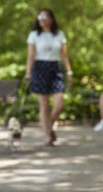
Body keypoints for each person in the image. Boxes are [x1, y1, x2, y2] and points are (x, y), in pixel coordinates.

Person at [25, 9, 73, 147]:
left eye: (44, 17)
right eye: (39, 17)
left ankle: (48, 127)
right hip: (40, 68)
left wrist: (69, 71)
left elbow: (64, 55)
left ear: (51, 19)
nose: (41, 20)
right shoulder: (34, 35)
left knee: (59, 104)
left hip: (55, 68)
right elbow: (31, 56)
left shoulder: (59, 34)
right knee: (44, 105)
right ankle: (47, 136)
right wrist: (28, 73)